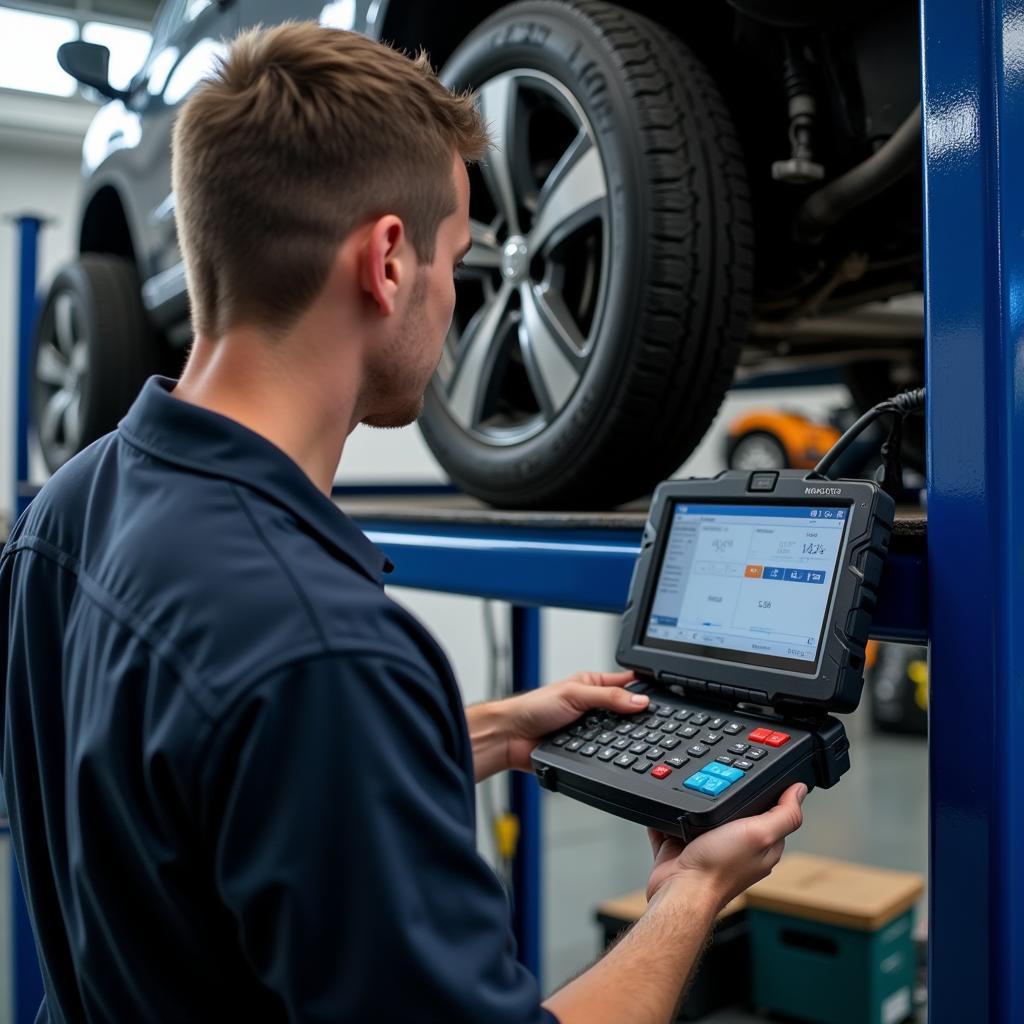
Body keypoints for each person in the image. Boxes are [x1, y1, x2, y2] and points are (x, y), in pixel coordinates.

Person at [0, 22, 805, 1024]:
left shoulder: (63, 514)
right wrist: (690, 894)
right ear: (387, 260)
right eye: (461, 259)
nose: (462, 302)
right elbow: (289, 711)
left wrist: (499, 729)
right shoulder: (322, 651)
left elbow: (188, 785)